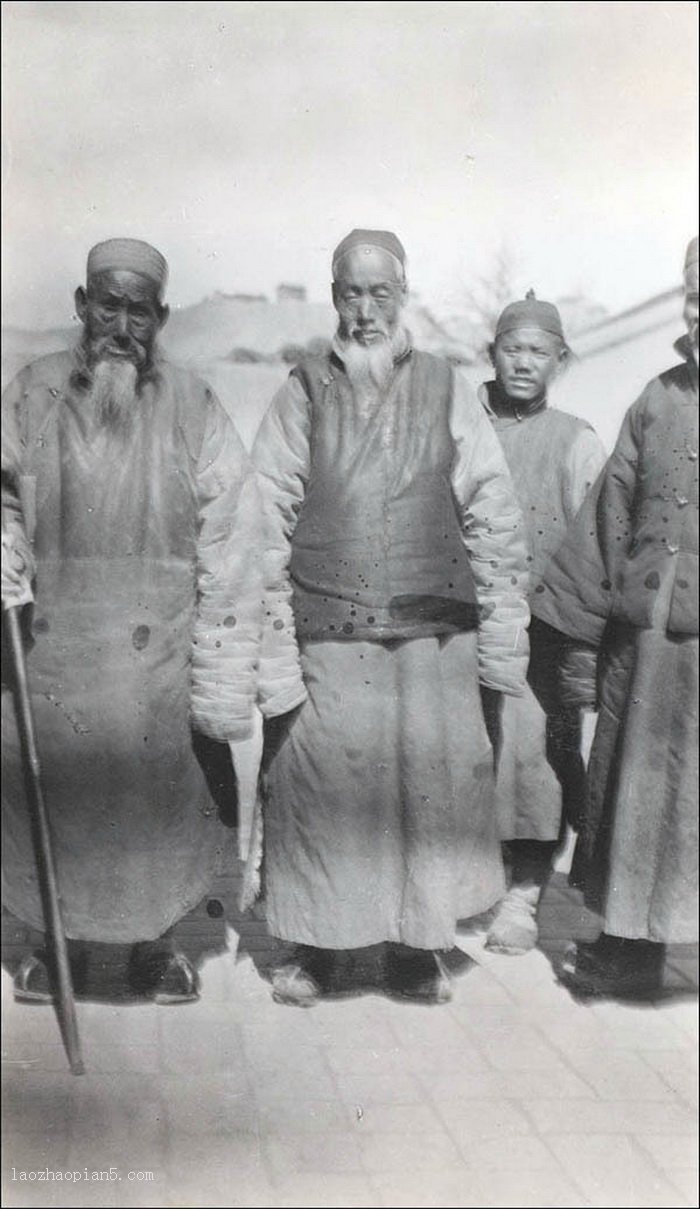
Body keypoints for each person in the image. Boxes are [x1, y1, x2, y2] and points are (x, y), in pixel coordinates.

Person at [250, 228, 530, 1006]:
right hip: (330, 629)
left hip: (432, 635)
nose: (365, 310)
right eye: (350, 292)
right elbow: (264, 511)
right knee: (324, 787)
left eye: (380, 293)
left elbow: (493, 512)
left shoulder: (445, 384)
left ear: (403, 295)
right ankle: (318, 947)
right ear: (333, 296)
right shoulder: (303, 388)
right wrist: (271, 632)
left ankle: (418, 947)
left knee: (423, 788)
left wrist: (503, 628)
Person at [1, 238, 262, 1004]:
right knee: (56, 800)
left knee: (162, 805)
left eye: (138, 310)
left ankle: (156, 950)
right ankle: (54, 946)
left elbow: (233, 529)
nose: (121, 323)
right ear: (82, 306)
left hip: (159, 656)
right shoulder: (32, 393)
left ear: (161, 318)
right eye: (106, 305)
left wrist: (221, 658)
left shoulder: (193, 403)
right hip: (55, 652)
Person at [531, 236, 699, 995]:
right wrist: (576, 635)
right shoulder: (656, 400)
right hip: (645, 644)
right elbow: (608, 518)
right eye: (695, 295)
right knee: (634, 790)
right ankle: (630, 945)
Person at [478, 293, 606, 954]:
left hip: (544, 630)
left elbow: (602, 537)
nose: (523, 362)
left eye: (537, 351)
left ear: (559, 359)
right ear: (491, 352)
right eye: (511, 348)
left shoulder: (577, 440)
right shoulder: (461, 424)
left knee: (537, 761)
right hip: (468, 620)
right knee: (471, 753)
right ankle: (467, 879)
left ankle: (525, 892)